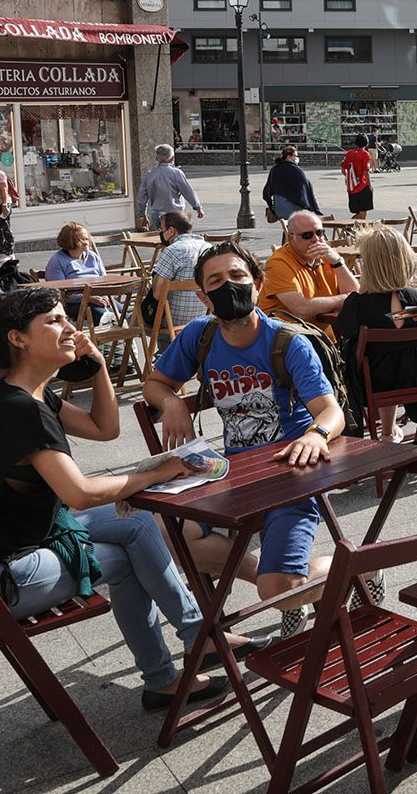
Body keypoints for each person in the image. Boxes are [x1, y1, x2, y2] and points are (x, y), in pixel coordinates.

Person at [0, 287, 258, 710]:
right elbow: (80, 494)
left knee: (137, 522)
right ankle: (169, 671)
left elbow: (106, 430)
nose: (69, 329)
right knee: (127, 560)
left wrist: (99, 366)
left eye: (65, 319)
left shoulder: (23, 392)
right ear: (18, 339)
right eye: (53, 321)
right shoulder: (20, 411)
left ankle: (197, 641)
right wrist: (160, 472)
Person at [145, 243, 350, 640]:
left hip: (290, 472)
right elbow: (154, 383)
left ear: (257, 285)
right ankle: (273, 577)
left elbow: (331, 411)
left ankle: (355, 568)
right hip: (233, 471)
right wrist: (171, 401)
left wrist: (315, 434)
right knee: (167, 529)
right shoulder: (198, 336)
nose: (229, 287)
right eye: (216, 281)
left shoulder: (286, 342)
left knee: (281, 594)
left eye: (238, 277)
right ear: (203, 297)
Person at [334, 224, 417, 445]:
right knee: (405, 356)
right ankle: (400, 432)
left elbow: (340, 332)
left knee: (368, 360)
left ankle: (387, 433)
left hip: (374, 383)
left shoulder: (358, 305)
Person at [258, 210, 359, 334]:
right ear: (291, 237)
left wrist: (338, 262)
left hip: (324, 340)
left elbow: (356, 294)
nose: (316, 239)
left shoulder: (328, 256)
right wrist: (344, 299)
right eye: (307, 235)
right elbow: (302, 309)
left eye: (320, 233)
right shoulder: (278, 263)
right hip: (288, 343)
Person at [149, 210, 212, 337]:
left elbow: (158, 295)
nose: (160, 233)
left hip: (173, 323)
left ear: (171, 231)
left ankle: (165, 353)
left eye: (161, 229)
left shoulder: (172, 251)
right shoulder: (208, 248)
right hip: (205, 317)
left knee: (131, 318)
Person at [45, 222, 110, 324]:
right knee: (106, 316)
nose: (87, 242)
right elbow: (59, 294)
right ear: (70, 241)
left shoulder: (93, 256)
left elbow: (104, 280)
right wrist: (88, 298)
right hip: (72, 303)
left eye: (87, 238)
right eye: (82, 239)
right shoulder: (57, 261)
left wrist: (105, 295)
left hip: (97, 298)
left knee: (122, 311)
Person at [136, 144, 203, 230]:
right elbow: (188, 191)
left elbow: (142, 197)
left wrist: (142, 215)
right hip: (175, 213)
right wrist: (198, 207)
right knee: (176, 238)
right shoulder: (176, 173)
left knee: (163, 238)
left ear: (157, 159)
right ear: (172, 158)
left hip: (157, 213)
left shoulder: (150, 174)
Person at [263, 145, 320, 223]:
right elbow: (304, 191)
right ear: (289, 157)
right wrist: (310, 208)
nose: (297, 158)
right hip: (292, 210)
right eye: (295, 156)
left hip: (279, 209)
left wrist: (272, 207)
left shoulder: (275, 169)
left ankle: (287, 234)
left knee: (290, 227)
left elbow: (267, 191)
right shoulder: (295, 170)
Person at [340, 135, 373, 220]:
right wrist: (369, 185)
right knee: (362, 215)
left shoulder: (349, 153)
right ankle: (347, 228)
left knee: (358, 213)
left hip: (352, 188)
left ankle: (351, 230)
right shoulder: (365, 154)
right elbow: (366, 172)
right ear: (367, 143)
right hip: (362, 186)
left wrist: (350, 178)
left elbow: (343, 170)